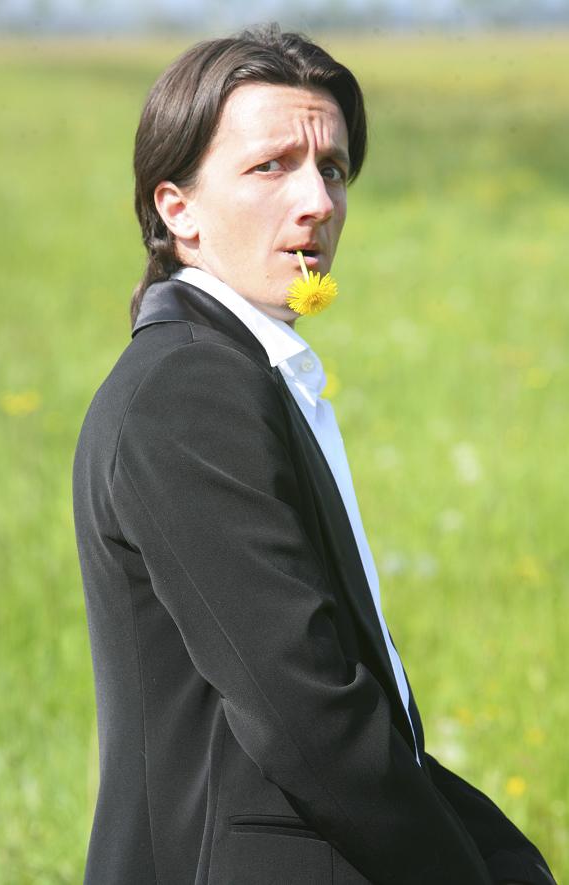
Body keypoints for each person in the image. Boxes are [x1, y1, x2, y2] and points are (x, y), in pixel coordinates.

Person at [72, 23, 556, 885]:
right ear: (176, 208)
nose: (318, 202)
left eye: (331, 168)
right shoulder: (188, 392)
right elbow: (305, 710)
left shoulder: (236, 373)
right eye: (271, 166)